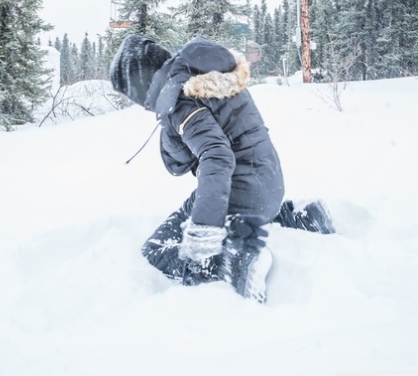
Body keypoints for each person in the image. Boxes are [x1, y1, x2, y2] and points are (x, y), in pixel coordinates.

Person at [110, 34, 334, 303]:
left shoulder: (182, 99)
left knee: (156, 251)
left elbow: (217, 156)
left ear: (140, 83)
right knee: (231, 203)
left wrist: (204, 232)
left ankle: (232, 262)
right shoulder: (206, 75)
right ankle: (300, 216)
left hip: (244, 192)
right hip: (269, 183)